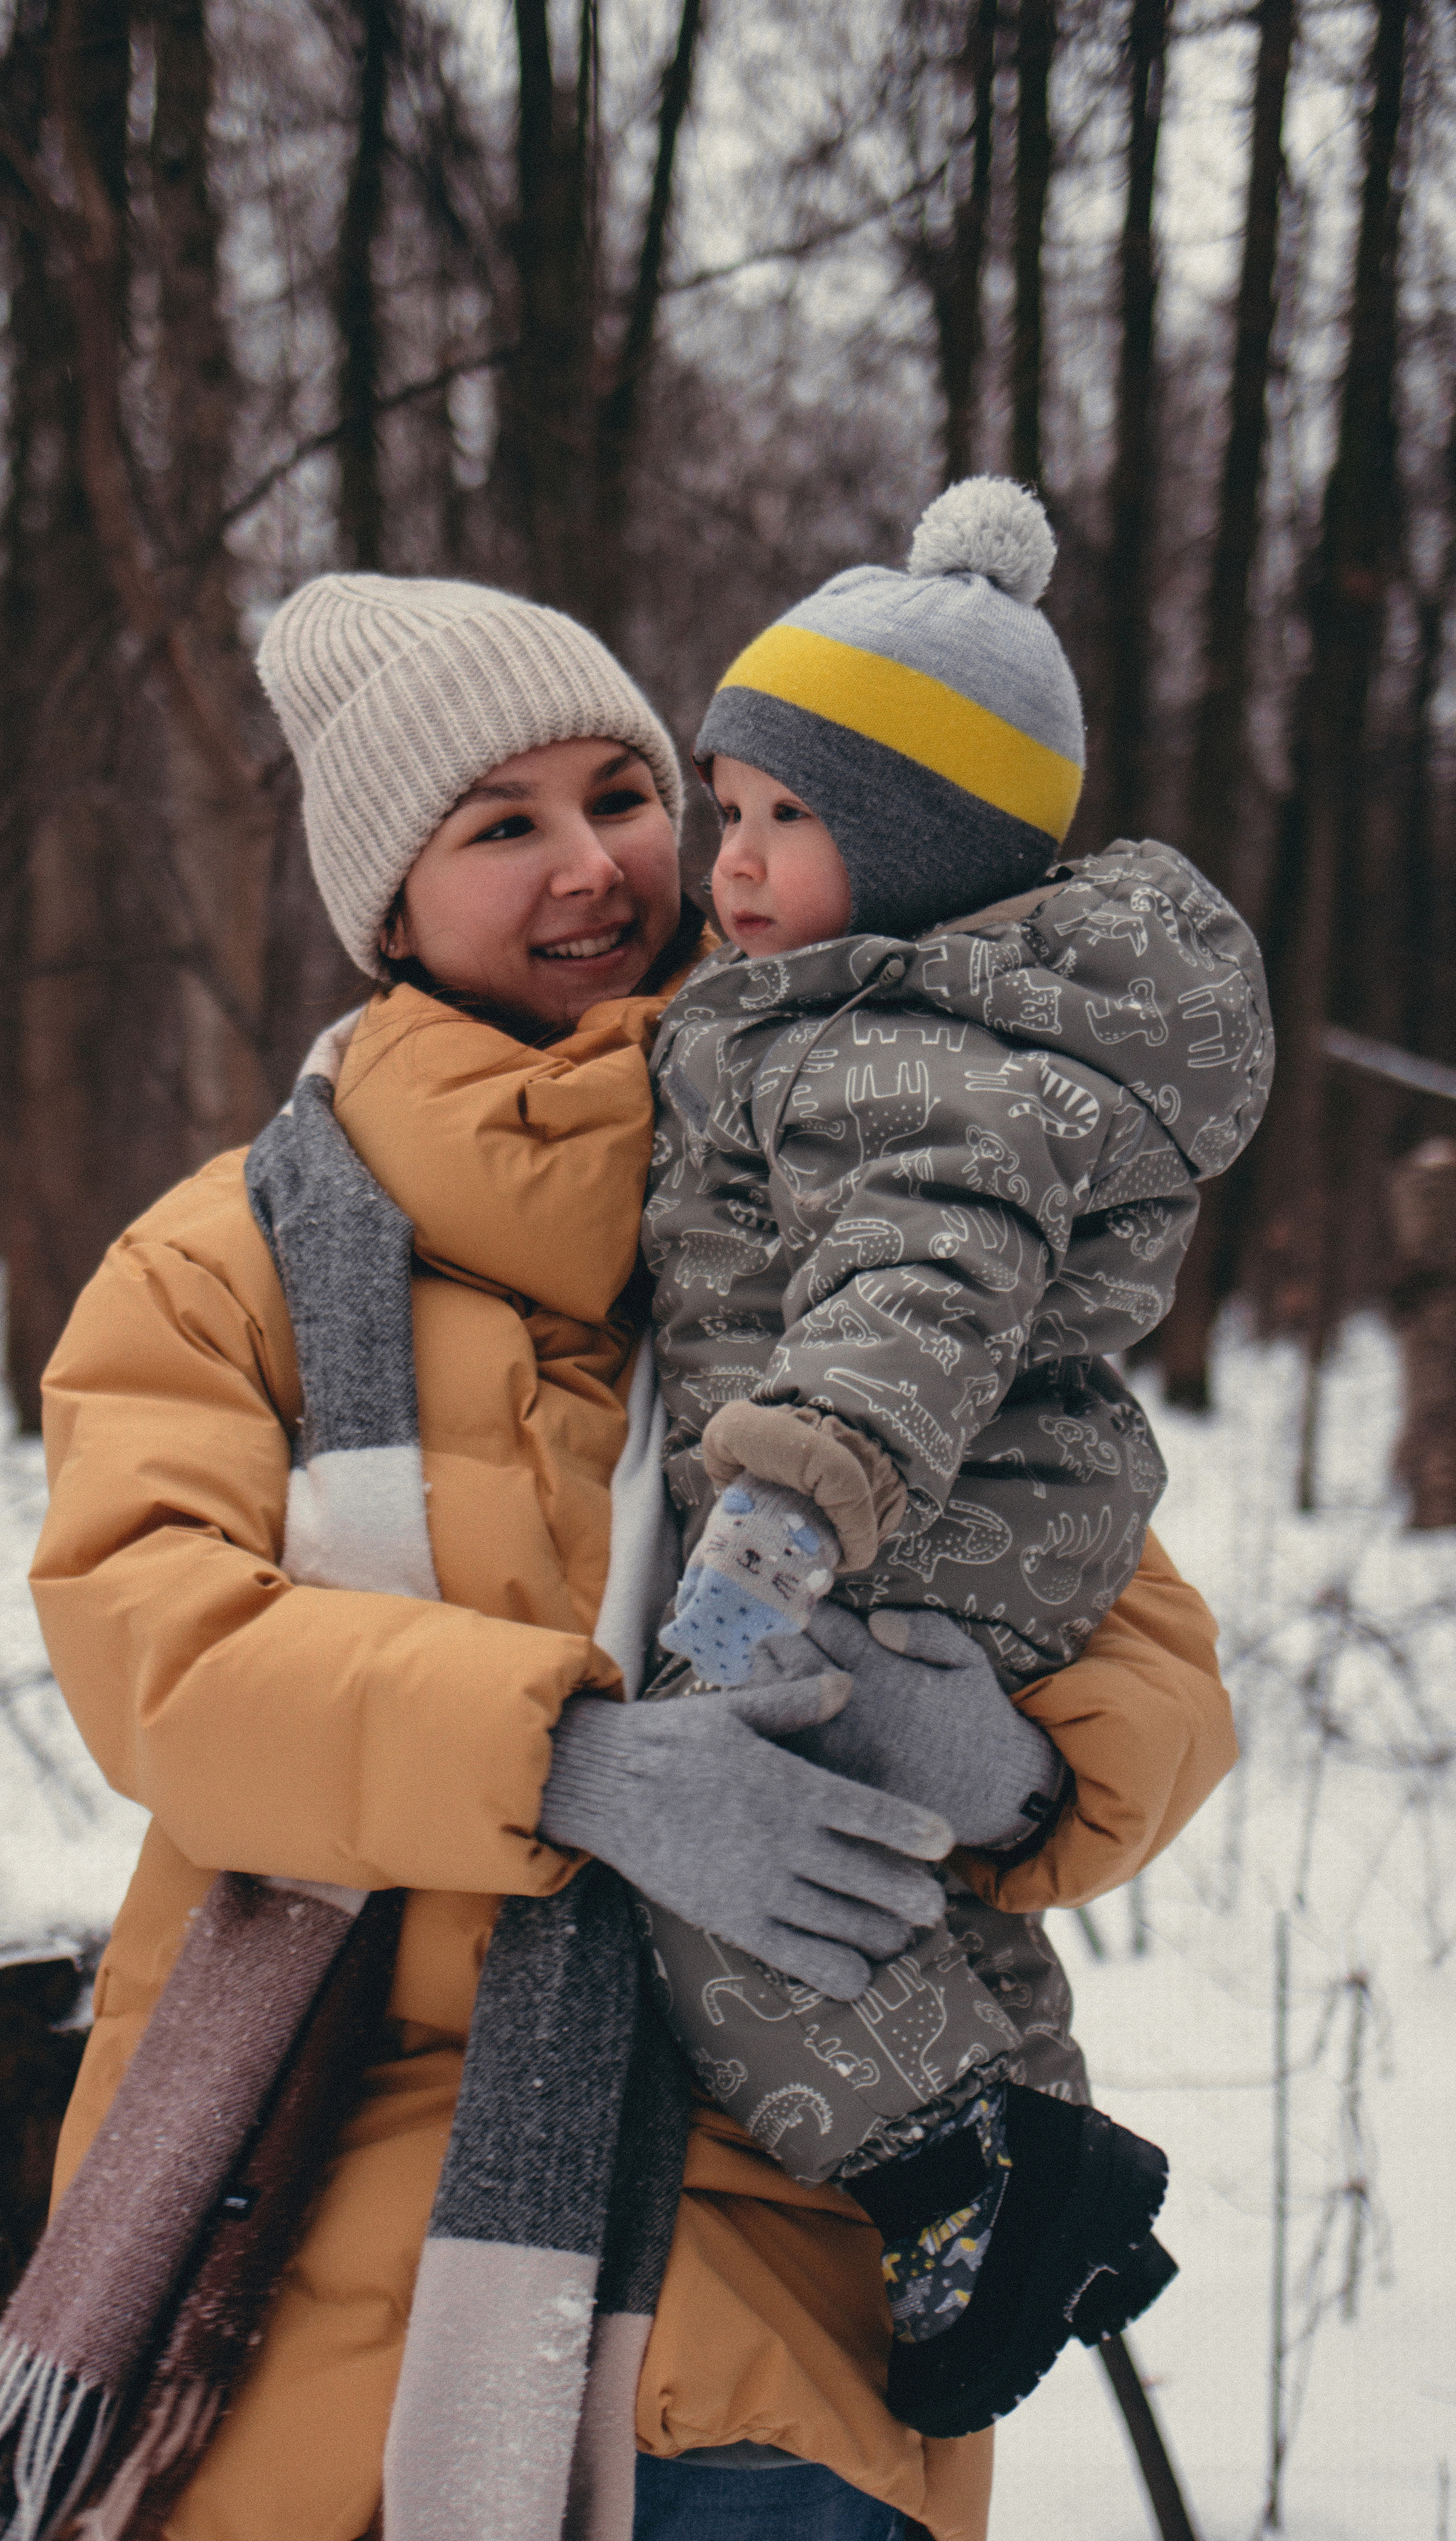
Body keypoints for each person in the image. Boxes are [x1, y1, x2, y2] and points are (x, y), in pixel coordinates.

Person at [21, 571, 1237, 2541]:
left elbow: (1135, 1620)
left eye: (622, 793)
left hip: (804, 2200)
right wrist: (572, 1765)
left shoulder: (874, 1161)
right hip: (331, 2187)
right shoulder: (221, 1264)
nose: (593, 864)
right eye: (500, 826)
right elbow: (156, 1651)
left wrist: (1018, 1766)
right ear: (388, 908)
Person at [625, 479, 1272, 2445]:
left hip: (898, 1513)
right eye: (725, 810)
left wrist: (795, 1494)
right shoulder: (879, 1021)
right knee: (915, 1880)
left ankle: (951, 2157)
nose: (732, 865)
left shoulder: (907, 1057)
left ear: (919, 848)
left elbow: (927, 1281)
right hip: (974, 1506)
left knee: (718, 1849)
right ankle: (1043, 2164)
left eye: (789, 821)